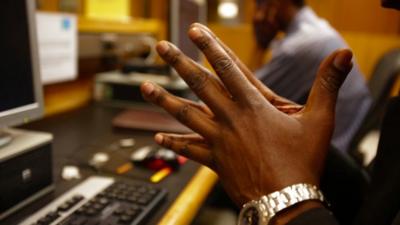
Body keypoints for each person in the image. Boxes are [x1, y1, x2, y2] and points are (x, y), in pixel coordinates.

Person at [139, 2, 400, 223]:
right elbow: (374, 207)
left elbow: (234, 100)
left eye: (260, 4)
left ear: (273, 5)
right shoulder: (313, 31)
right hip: (341, 173)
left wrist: (287, 203)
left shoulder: (301, 45)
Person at [251, 0, 372, 153]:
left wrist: (260, 45)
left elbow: (244, 99)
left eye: (261, 3)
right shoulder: (316, 28)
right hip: (348, 138)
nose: (257, 13)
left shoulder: (297, 47)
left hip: (332, 153)